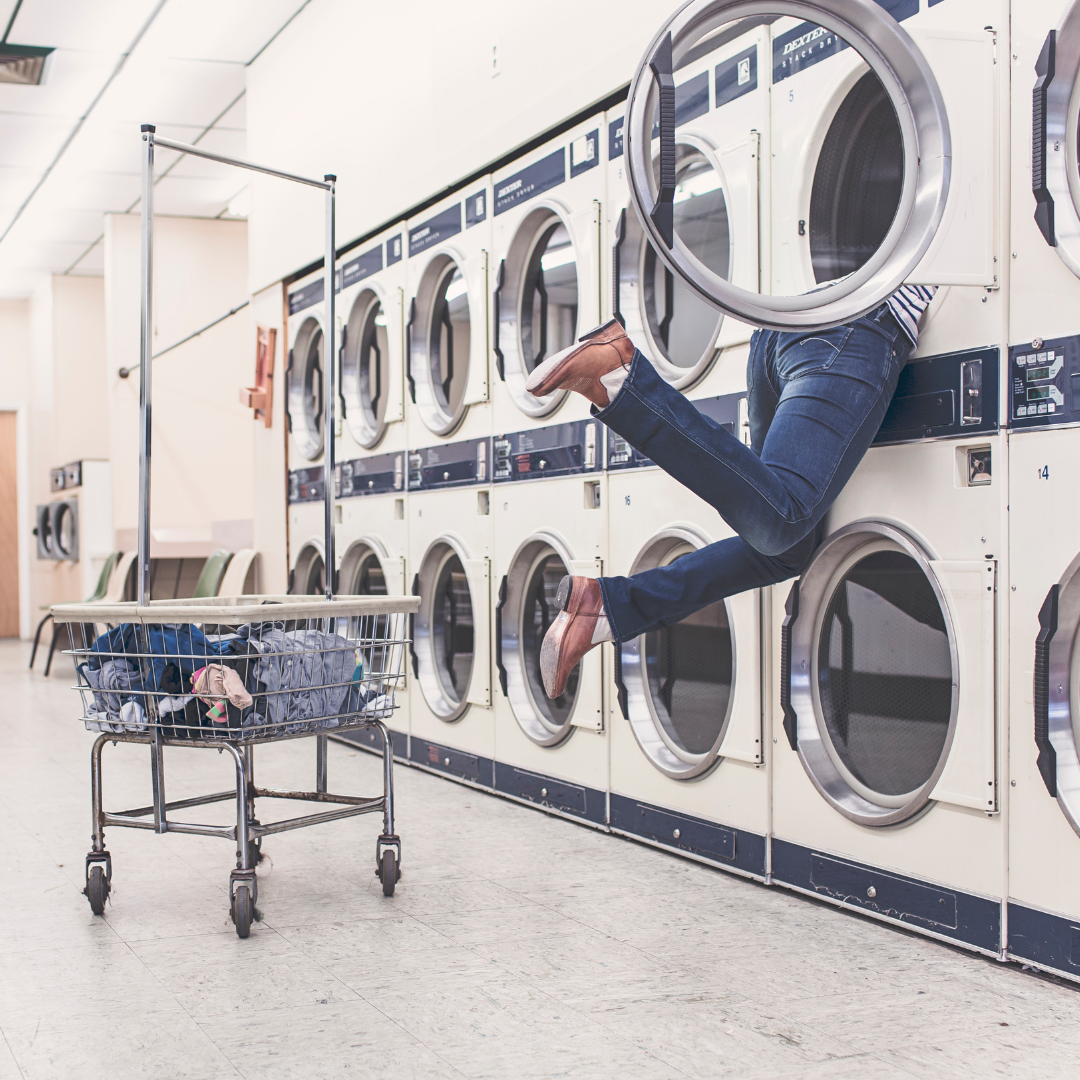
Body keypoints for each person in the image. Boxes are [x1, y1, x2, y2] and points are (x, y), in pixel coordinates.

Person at [525, 286, 937, 700]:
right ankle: (620, 377)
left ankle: (606, 608)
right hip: (856, 332)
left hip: (783, 333)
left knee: (782, 548)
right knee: (781, 522)